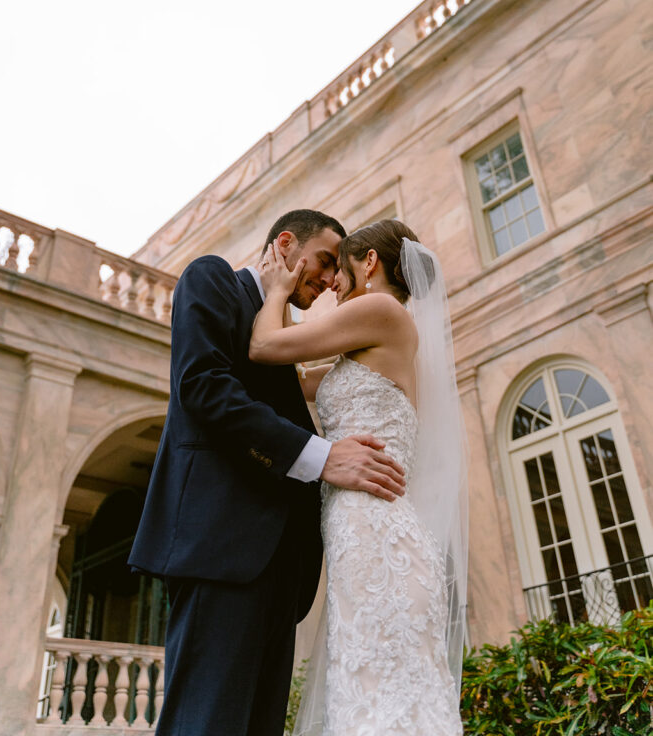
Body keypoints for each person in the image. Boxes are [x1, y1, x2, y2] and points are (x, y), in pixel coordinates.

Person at [128, 209, 407, 736]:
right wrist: (325, 457)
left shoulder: (286, 331)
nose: (329, 282)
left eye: (334, 272)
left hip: (284, 568)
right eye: (324, 262)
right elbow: (204, 387)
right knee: (205, 723)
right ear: (284, 244)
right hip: (222, 550)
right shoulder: (211, 279)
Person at [250, 218, 468, 736]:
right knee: (369, 694)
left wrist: (277, 289)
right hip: (359, 537)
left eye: (338, 267)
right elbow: (294, 379)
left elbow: (265, 348)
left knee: (382, 701)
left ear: (369, 262)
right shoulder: (363, 352)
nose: (331, 284)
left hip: (377, 538)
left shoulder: (382, 310)